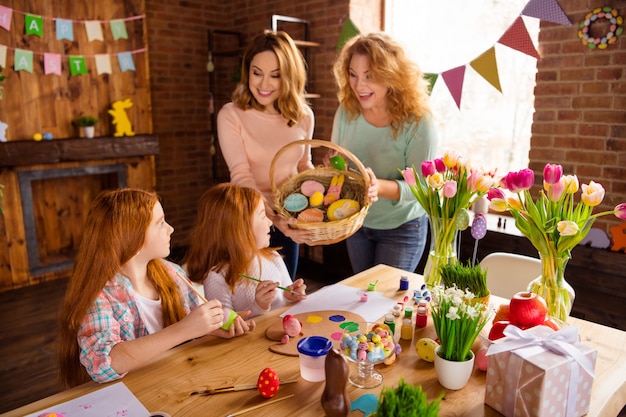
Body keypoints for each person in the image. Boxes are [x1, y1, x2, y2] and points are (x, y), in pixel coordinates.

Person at [58, 188, 255, 388]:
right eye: (160, 224)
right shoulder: (99, 294)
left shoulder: (172, 273)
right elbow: (104, 363)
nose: (171, 229)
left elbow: (191, 327)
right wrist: (184, 329)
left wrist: (209, 327)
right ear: (131, 238)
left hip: (176, 383)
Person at [330, 32, 439, 274]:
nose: (359, 85)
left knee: (384, 303)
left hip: (402, 227)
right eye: (353, 75)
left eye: (370, 76)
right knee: (364, 297)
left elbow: (425, 186)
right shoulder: (347, 111)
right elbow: (338, 162)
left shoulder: (420, 121)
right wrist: (335, 167)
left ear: (391, 75)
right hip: (357, 222)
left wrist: (377, 186)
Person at [217, 30, 315, 279]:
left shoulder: (302, 116)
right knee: (250, 301)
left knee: (284, 297)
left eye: (275, 76)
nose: (263, 84)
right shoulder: (231, 114)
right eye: (256, 73)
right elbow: (241, 176)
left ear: (289, 77)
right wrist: (273, 218)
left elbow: (304, 167)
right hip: (248, 222)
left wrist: (318, 201)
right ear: (247, 71)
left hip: (290, 219)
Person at [185, 183, 307, 317]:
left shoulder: (273, 257)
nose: (270, 222)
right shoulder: (217, 277)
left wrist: (290, 296)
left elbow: (284, 302)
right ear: (240, 229)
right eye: (262, 216)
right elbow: (225, 327)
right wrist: (258, 307)